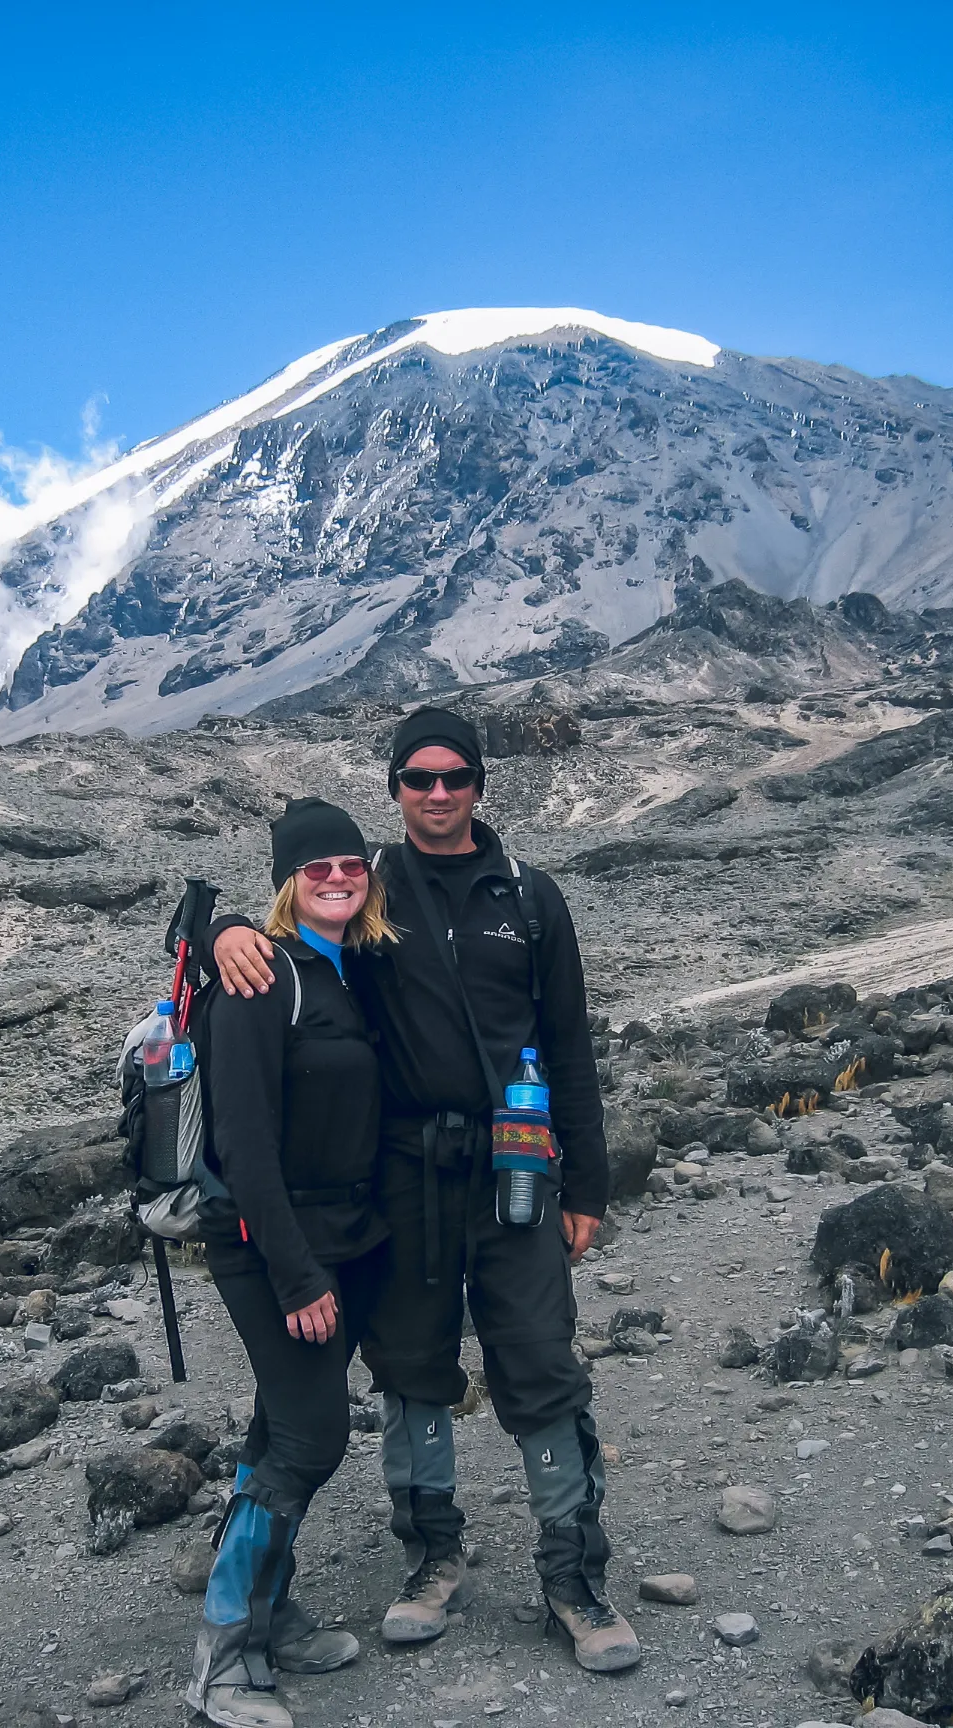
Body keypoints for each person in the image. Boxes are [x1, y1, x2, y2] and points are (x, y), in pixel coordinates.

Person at [213, 709, 640, 1674]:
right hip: (401, 1176)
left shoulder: (531, 898)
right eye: (418, 778)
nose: (437, 793)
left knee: (539, 1362)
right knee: (409, 1366)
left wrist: (591, 1183)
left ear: (482, 784)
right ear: (395, 786)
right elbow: (284, 923)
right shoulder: (362, 890)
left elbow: (570, 1045)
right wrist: (217, 928)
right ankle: (430, 1555)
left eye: (455, 777)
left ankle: (573, 1579)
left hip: (518, 1169)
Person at [185, 796, 399, 1728]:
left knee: (281, 1428)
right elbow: (243, 1142)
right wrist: (297, 1274)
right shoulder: (260, 980)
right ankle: (223, 1664)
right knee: (312, 1437)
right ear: (286, 883)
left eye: (352, 865)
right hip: (273, 1245)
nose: (339, 880)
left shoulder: (352, 970)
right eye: (317, 870)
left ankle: (266, 1615)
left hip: (346, 1237)